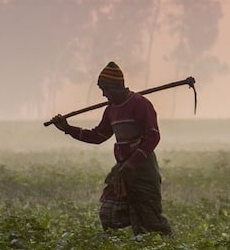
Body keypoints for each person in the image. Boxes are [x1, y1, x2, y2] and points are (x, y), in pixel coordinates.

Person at [51, 61, 172, 236]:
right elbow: (98, 136)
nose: (103, 94)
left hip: (143, 168)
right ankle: (132, 244)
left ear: (116, 87)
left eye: (105, 90)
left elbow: (153, 136)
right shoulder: (111, 111)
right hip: (122, 169)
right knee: (109, 214)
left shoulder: (140, 104)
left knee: (150, 218)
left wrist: (132, 163)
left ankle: (166, 243)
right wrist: (68, 128)